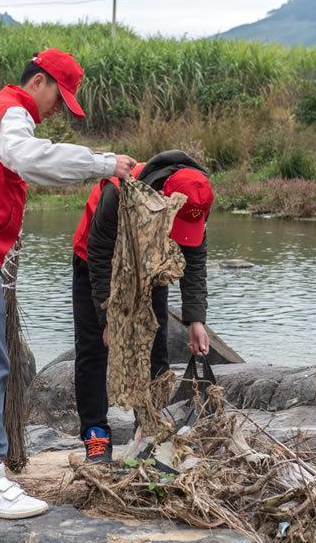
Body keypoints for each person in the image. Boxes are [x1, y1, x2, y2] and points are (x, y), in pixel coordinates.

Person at [0, 48, 136, 519]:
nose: (59, 109)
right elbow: (29, 158)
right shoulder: (12, 113)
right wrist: (103, 163)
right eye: (61, 98)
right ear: (39, 81)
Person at [71, 150, 214, 462]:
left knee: (155, 346)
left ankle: (147, 429)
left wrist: (195, 320)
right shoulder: (119, 191)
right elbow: (98, 253)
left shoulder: (197, 197)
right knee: (95, 348)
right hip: (97, 262)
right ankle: (96, 435)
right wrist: (109, 317)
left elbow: (194, 259)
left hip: (150, 264)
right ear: (160, 199)